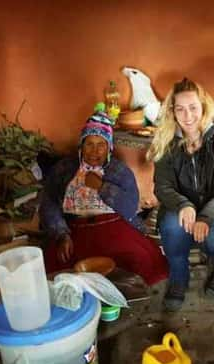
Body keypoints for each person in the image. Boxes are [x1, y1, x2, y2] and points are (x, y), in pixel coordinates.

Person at [40, 110, 168, 285]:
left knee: (139, 261)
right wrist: (61, 234)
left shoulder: (119, 171)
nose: (94, 151)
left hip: (114, 226)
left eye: (101, 144)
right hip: (76, 230)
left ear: (109, 148)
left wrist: (102, 187)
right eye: (89, 144)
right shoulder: (65, 169)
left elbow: (130, 207)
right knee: (58, 267)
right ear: (81, 146)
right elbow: (49, 202)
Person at [147, 77, 214, 311]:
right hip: (181, 207)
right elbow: (163, 186)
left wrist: (205, 217)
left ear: (203, 108)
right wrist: (183, 205)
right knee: (171, 229)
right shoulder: (167, 143)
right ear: (173, 112)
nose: (187, 115)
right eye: (180, 109)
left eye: (193, 108)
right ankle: (179, 278)